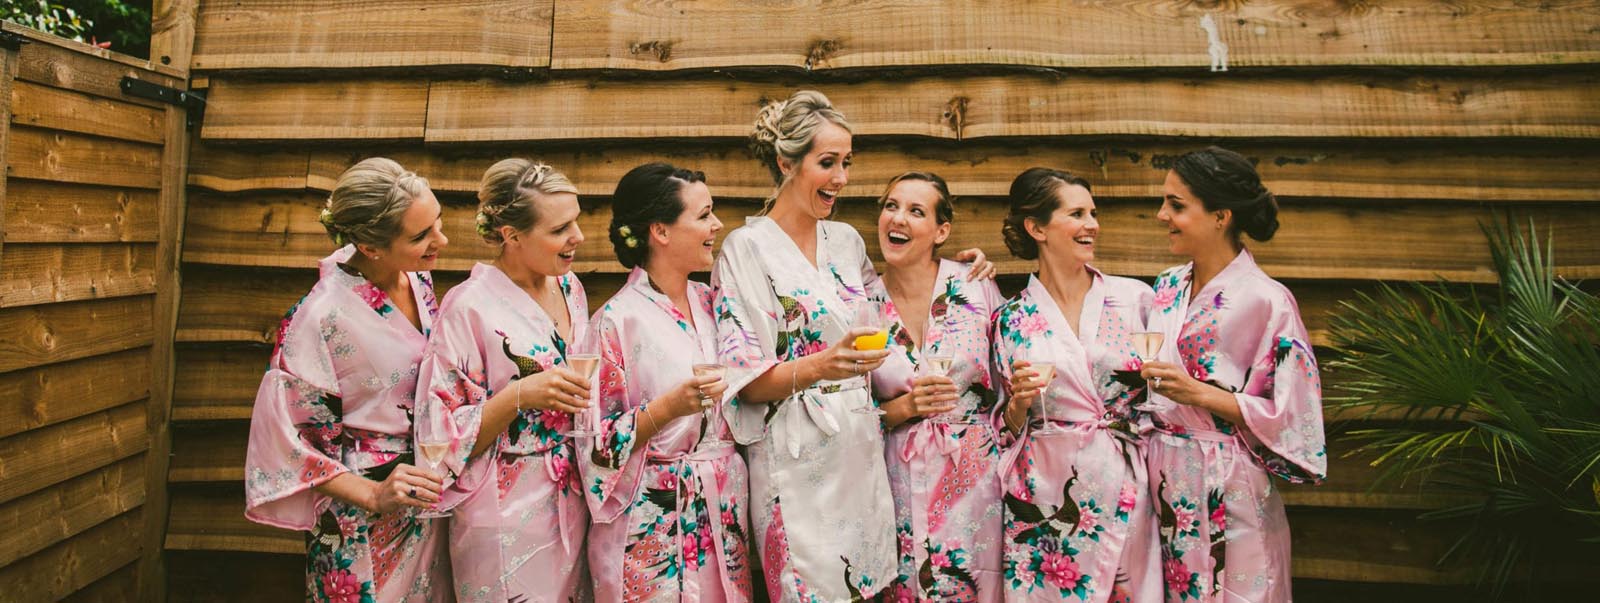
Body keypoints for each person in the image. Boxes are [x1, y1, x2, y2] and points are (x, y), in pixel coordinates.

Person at [710, 89, 899, 601]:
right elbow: (744, 382)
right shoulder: (744, 250)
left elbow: (885, 328)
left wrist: (959, 276)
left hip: (859, 447)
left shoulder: (847, 242)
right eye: (827, 163)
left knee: (867, 587)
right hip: (794, 458)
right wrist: (822, 365)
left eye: (847, 163)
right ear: (785, 162)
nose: (841, 177)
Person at [244, 158, 453, 602]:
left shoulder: (417, 278)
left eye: (437, 223)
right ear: (370, 246)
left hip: (425, 498)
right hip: (362, 518)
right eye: (421, 236)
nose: (442, 240)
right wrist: (374, 495)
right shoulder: (320, 318)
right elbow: (288, 442)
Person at [1138, 147, 1326, 602]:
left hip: (1229, 482)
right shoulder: (1165, 287)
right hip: (1163, 486)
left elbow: (1293, 410)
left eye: (1177, 205)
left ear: (1220, 216)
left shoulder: (1267, 301)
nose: (1162, 215)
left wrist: (1200, 394)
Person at [415, 159, 594, 601]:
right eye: (560, 229)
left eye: (576, 221)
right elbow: (438, 436)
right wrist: (519, 395)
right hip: (503, 511)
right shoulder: (468, 307)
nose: (578, 237)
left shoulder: (569, 287)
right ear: (511, 235)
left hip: (572, 498)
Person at [577, 163, 755, 601]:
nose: (717, 225)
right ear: (660, 230)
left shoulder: (715, 302)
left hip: (722, 508)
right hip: (650, 524)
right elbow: (594, 443)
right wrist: (668, 409)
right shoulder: (615, 322)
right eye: (703, 215)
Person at [991, 168, 1162, 602]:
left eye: (1093, 213)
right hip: (1046, 495)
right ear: (1037, 228)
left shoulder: (1135, 299)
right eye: (1077, 213)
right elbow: (1004, 424)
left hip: (1122, 480)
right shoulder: (1009, 320)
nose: (1092, 225)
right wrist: (1018, 403)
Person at [866, 171, 1007, 601]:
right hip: (894, 479)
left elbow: (1009, 384)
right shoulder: (861, 301)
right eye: (891, 206)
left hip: (974, 476)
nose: (899, 219)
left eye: (916, 211)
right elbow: (849, 408)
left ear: (941, 230)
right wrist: (904, 409)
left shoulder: (974, 285)